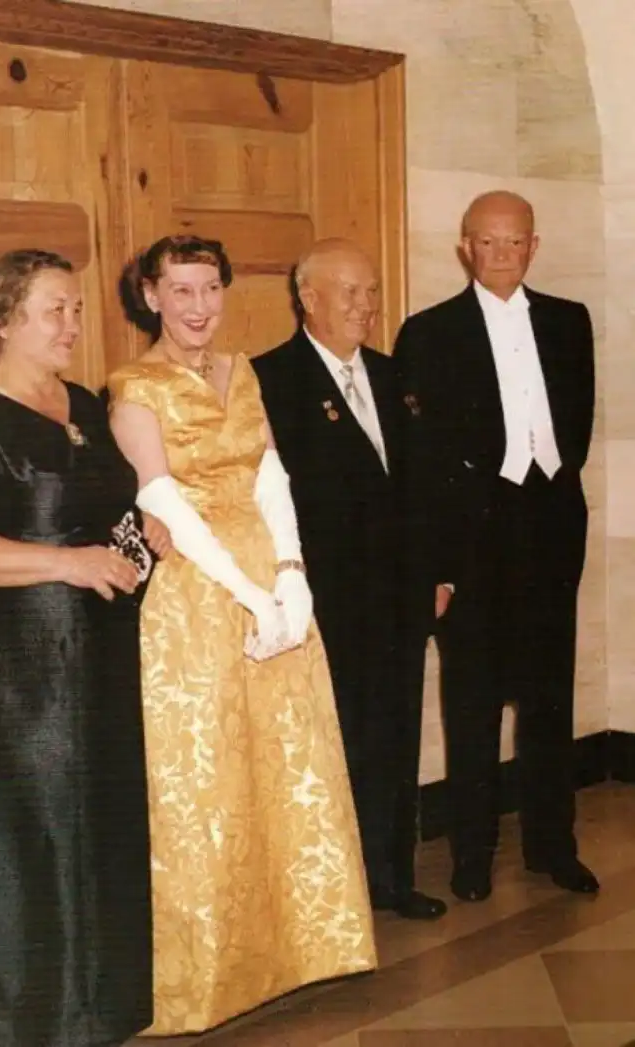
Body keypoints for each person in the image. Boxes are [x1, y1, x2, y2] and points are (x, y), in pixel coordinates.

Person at [107, 234, 376, 1036]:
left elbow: (270, 475)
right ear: (151, 296)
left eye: (210, 289)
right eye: (181, 291)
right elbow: (165, 500)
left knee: (288, 763)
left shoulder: (243, 371)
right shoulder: (132, 385)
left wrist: (291, 572)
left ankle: (300, 952)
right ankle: (210, 978)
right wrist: (250, 593)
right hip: (198, 592)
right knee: (211, 779)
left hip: (269, 579)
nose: (199, 307)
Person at [0, 248, 170, 1047]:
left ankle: (93, 1015)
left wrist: (139, 528)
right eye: (55, 310)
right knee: (32, 834)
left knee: (95, 825)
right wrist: (65, 563)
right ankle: (18, 1024)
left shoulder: (80, 401)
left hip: (97, 656)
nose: (73, 324)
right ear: (4, 320)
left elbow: (96, 502)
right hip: (17, 670)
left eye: (75, 308)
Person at [393, 190, 599, 902]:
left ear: (534, 247)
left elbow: (577, 425)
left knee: (549, 699)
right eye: (488, 242)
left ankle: (553, 845)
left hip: (550, 527)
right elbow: (421, 463)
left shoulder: (571, 321)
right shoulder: (429, 333)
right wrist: (439, 563)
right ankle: (473, 855)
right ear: (466, 248)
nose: (502, 254)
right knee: (472, 702)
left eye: (515, 242)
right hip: (474, 538)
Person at [252, 238, 449, 921]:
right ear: (308, 298)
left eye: (371, 292)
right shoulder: (270, 380)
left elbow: (426, 486)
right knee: (335, 744)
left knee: (395, 739)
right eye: (350, 293)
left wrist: (439, 575)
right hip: (327, 602)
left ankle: (392, 878)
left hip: (400, 599)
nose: (367, 306)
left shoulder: (395, 378)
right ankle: (335, 895)